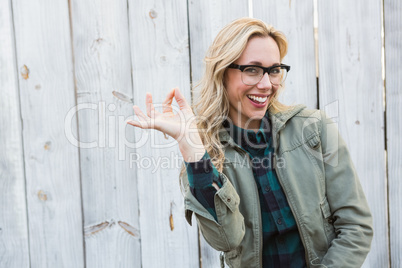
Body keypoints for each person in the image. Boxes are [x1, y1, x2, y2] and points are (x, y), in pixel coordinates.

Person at [127, 17, 373, 268]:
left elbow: (356, 226)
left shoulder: (314, 129)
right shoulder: (203, 155)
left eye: (274, 70)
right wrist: (190, 144)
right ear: (223, 73)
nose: (266, 84)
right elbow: (226, 239)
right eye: (252, 70)